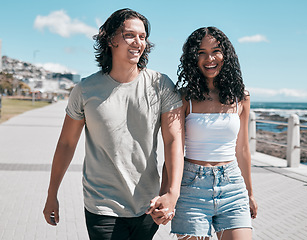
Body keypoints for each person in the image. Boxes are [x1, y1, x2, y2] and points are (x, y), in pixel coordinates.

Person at [43, 8, 184, 240]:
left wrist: (171, 193)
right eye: (129, 35)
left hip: (147, 204)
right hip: (102, 205)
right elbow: (67, 144)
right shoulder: (85, 90)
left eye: (143, 37)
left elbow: (174, 140)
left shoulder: (161, 85)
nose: (138, 42)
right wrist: (52, 194)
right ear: (110, 40)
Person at [169, 27, 258, 240]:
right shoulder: (184, 97)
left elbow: (243, 149)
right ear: (193, 58)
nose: (209, 58)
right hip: (192, 187)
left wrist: (250, 193)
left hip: (233, 186)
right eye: (201, 52)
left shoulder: (241, 97)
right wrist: (169, 192)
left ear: (225, 54)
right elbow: (173, 147)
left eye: (216, 50)